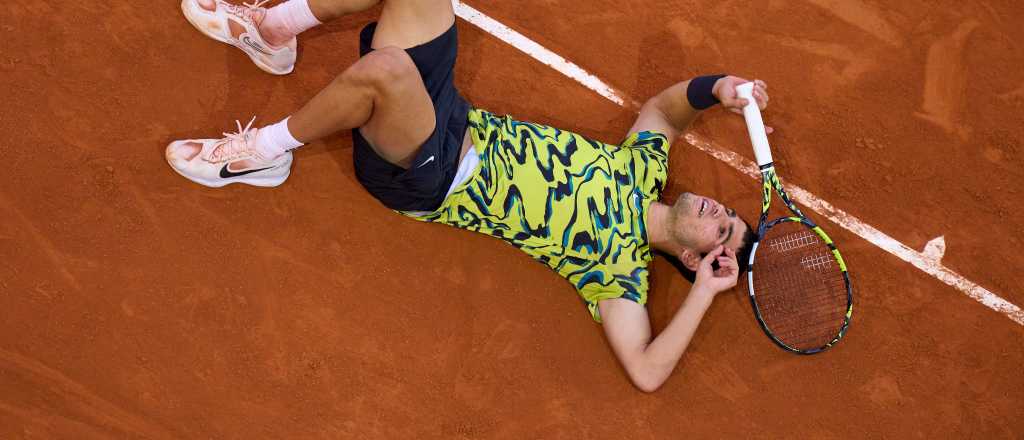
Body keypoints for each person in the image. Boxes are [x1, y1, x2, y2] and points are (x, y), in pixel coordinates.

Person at [166, 0, 771, 392]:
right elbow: (665, 112)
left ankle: (262, 154)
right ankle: (273, 33)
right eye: (731, 216)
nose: (721, 213)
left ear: (693, 260)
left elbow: (645, 370)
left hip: (425, 178)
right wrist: (723, 87)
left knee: (388, 72)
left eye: (723, 234)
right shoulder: (643, 169)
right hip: (449, 117)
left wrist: (708, 293)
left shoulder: (617, 274)